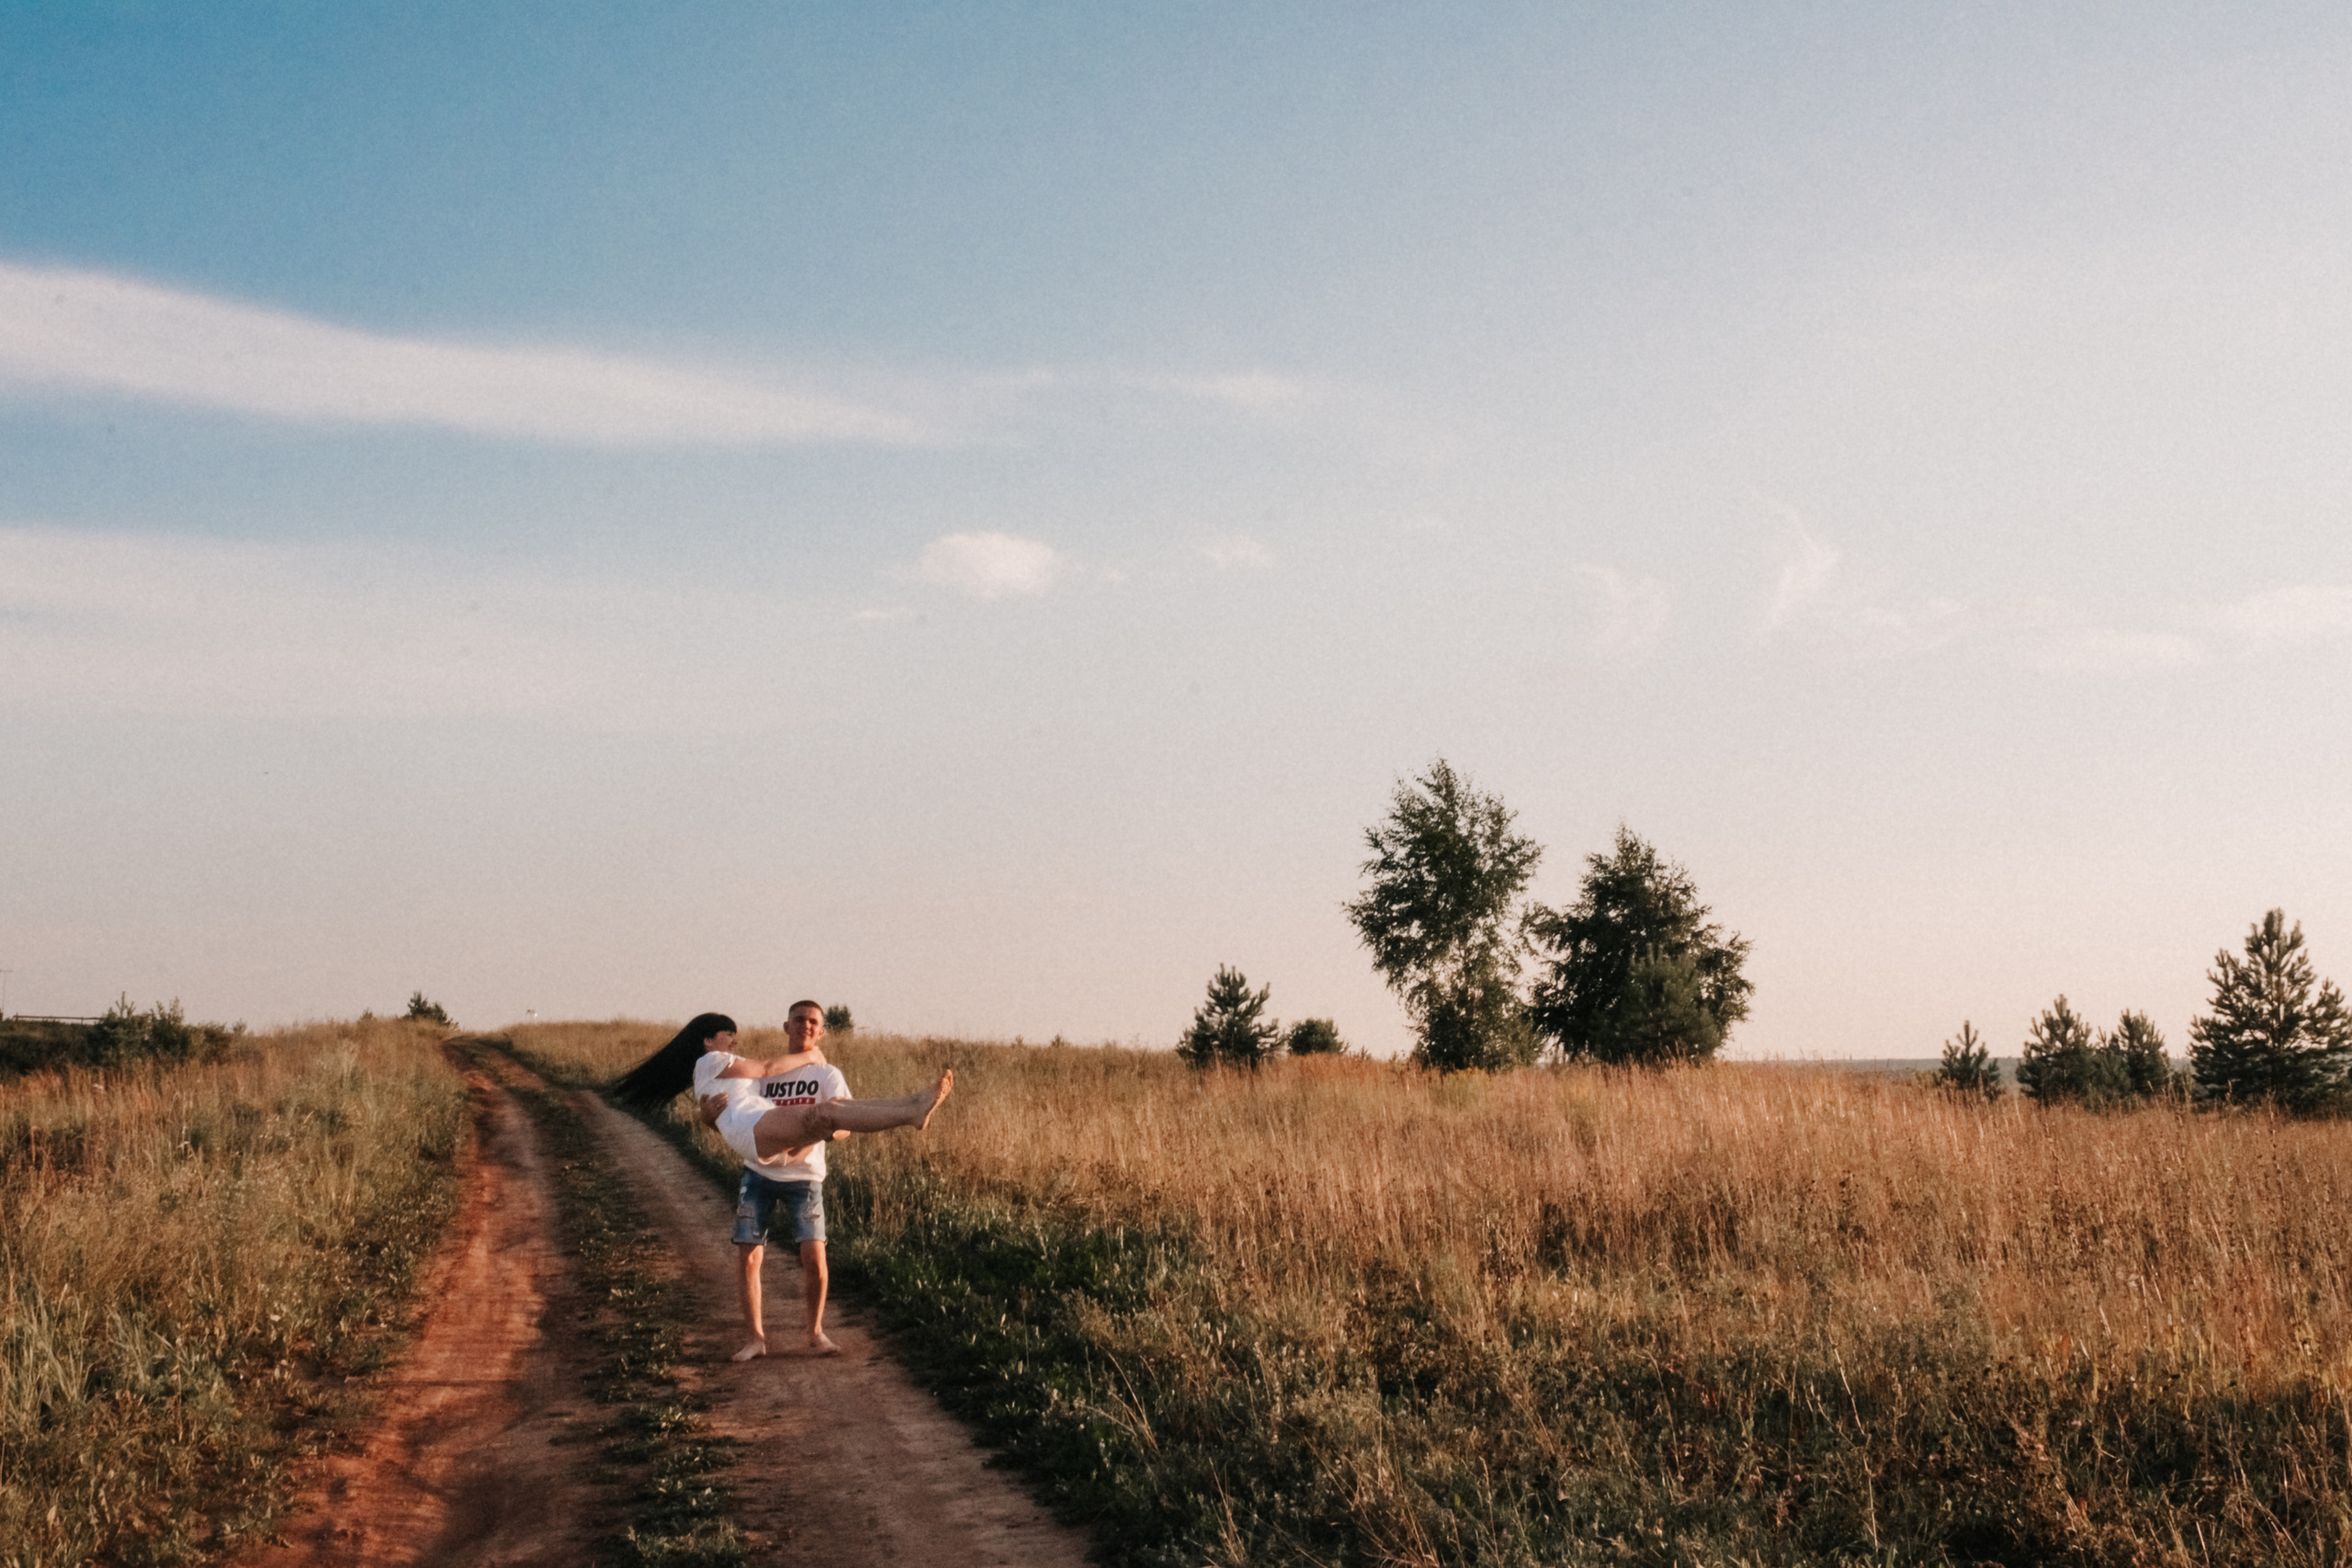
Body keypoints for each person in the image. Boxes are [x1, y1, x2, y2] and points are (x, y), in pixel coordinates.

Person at [608, 1002, 953, 1361]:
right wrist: (706, 1117)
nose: (735, 1043)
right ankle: (755, 1338)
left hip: (795, 1167)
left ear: (821, 1030)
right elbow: (761, 1075)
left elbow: (841, 1122)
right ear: (708, 1041)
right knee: (749, 1254)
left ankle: (912, 1107)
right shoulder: (716, 1062)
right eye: (730, 1036)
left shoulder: (817, 1073)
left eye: (814, 1022)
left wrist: (804, 1137)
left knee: (828, 1115)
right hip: (756, 1157)